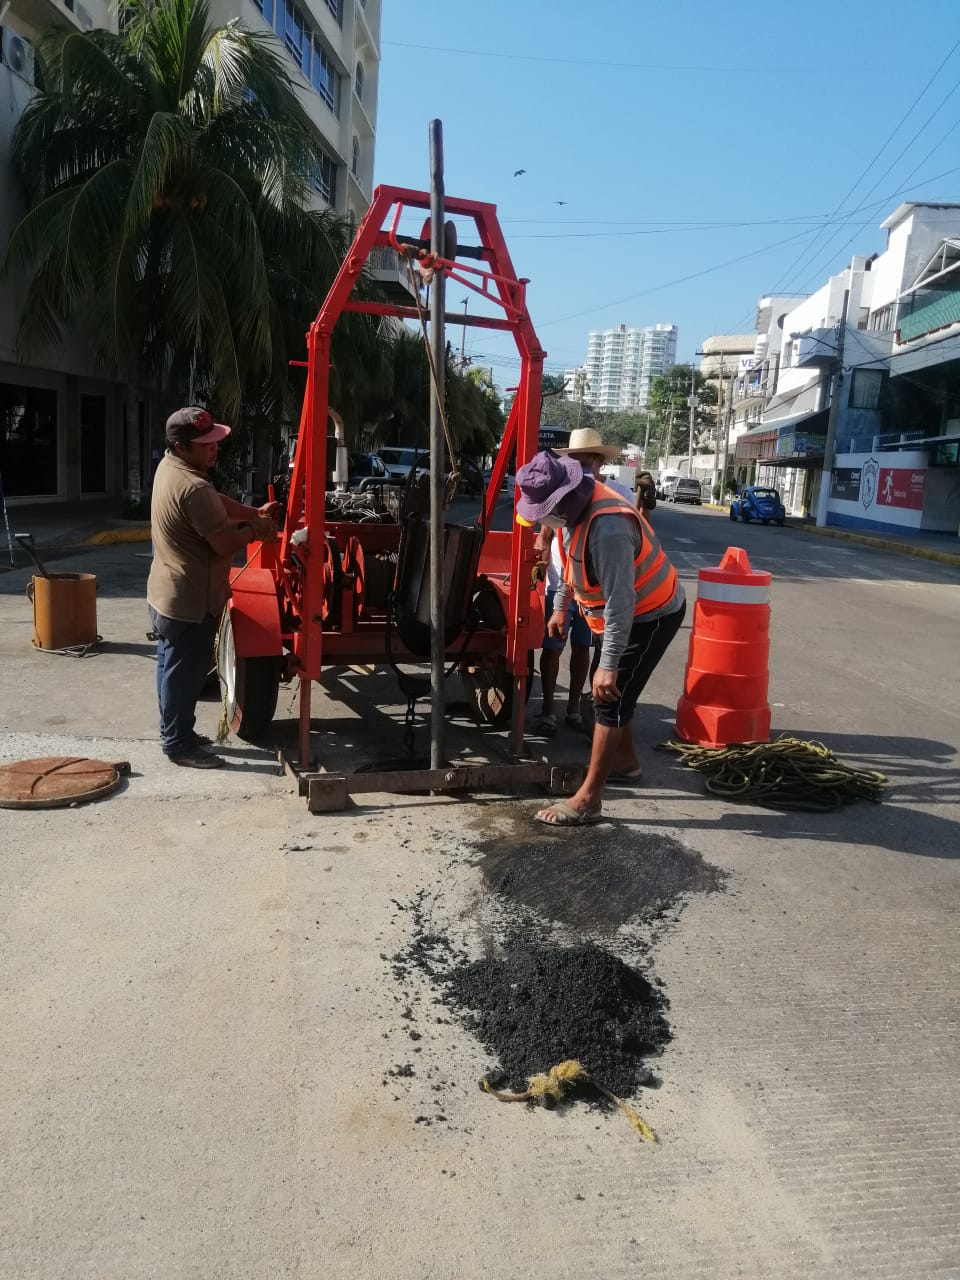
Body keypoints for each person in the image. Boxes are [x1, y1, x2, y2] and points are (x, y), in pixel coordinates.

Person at [515, 451, 686, 827]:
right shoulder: (568, 510)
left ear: (562, 499)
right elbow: (569, 563)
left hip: (651, 613)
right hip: (621, 612)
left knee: (607, 698)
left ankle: (589, 798)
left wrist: (607, 665)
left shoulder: (608, 528)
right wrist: (560, 606)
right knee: (615, 695)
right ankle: (626, 763)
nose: (541, 522)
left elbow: (621, 605)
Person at [147, 407, 281, 768]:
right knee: (184, 675)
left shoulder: (171, 469)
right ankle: (178, 745)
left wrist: (252, 514)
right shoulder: (193, 487)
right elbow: (223, 543)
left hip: (166, 593)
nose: (214, 448)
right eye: (205, 444)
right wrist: (258, 530)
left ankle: (177, 732)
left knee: (169, 667)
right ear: (181, 445)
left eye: (215, 440)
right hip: (190, 600)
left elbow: (215, 504)